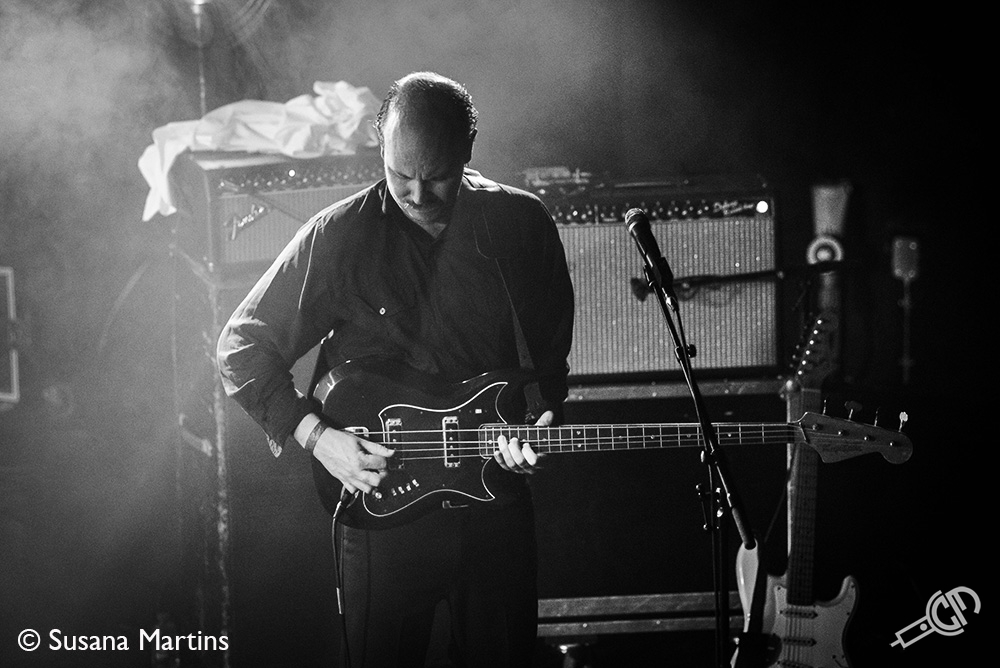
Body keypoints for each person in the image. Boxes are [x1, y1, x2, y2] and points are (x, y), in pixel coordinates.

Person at [217, 71, 574, 667]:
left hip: (494, 509)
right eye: (398, 172)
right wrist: (317, 436)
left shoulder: (521, 224)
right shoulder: (338, 236)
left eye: (436, 175)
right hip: (381, 513)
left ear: (468, 150)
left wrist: (540, 423)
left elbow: (548, 367)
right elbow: (241, 345)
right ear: (378, 144)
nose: (417, 192)